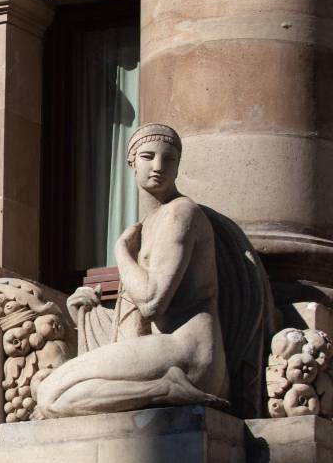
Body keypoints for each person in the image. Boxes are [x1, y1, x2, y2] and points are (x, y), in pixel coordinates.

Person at [34, 124, 265, 418]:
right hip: (168, 354)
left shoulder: (181, 212)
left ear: (178, 167)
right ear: (132, 162)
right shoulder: (151, 222)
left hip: (190, 354)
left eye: (169, 159)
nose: (158, 166)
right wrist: (89, 314)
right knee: (54, 399)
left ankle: (170, 387)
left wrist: (121, 251)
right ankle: (164, 389)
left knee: (51, 393)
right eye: (148, 156)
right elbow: (137, 324)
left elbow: (152, 301)